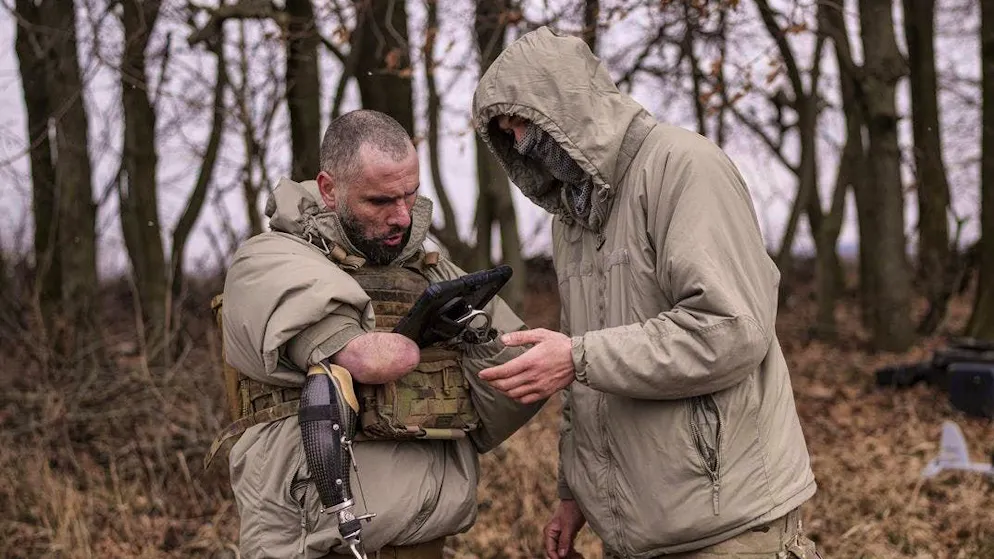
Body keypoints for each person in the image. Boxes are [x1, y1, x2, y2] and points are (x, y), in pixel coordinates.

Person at [471, 27, 822, 559]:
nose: (518, 142)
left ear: (566, 106)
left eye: (522, 122)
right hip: (633, 530)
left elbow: (730, 330)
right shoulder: (574, 214)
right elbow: (586, 369)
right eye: (505, 131)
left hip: (726, 527)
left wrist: (579, 356)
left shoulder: (685, 168)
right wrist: (576, 494)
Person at [210, 109, 544, 559]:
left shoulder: (428, 269)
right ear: (330, 190)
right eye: (381, 202)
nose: (403, 218)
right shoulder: (267, 260)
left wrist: (480, 340)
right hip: (320, 546)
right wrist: (429, 334)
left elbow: (521, 387)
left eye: (411, 195)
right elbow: (377, 360)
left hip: (429, 543)